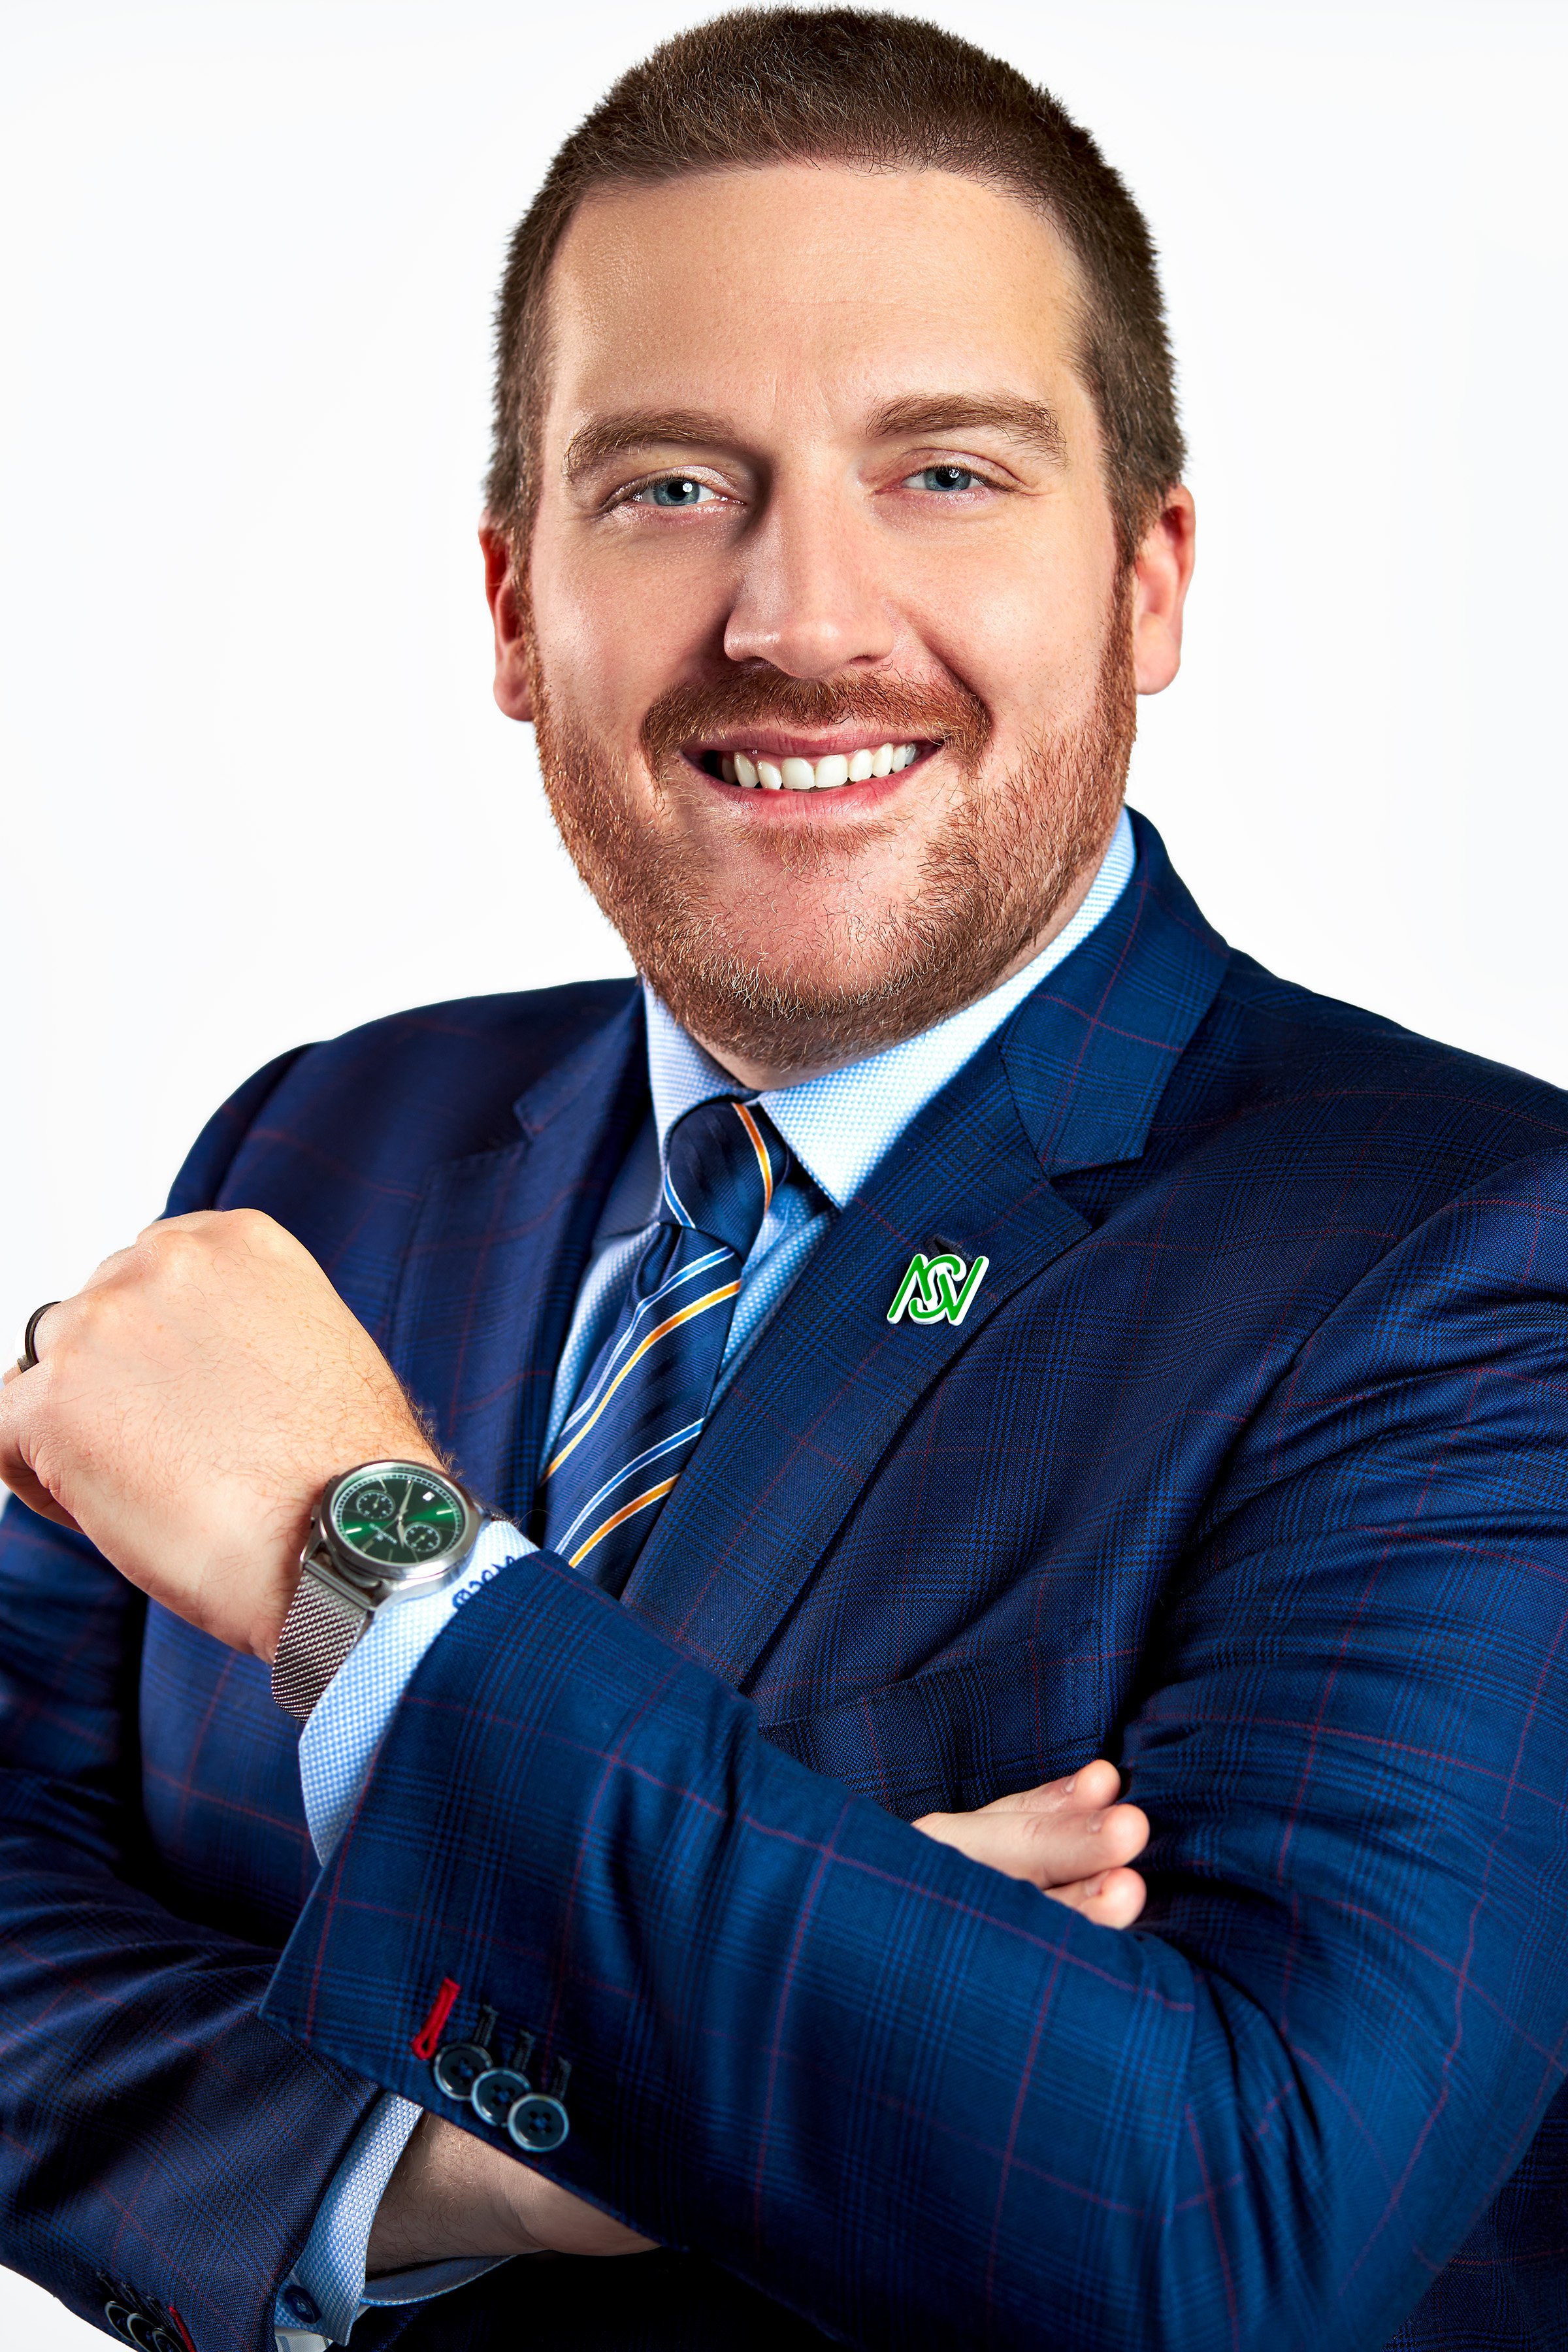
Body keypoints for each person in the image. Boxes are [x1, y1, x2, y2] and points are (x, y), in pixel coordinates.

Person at [3, 10, 1566, 2349]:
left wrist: (367, 1570)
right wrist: (505, 2164)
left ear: (1149, 581)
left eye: (946, 473)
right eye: (667, 488)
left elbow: (1234, 2221)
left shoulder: (1465, 1254)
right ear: (515, 608)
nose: (804, 621)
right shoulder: (323, 1150)